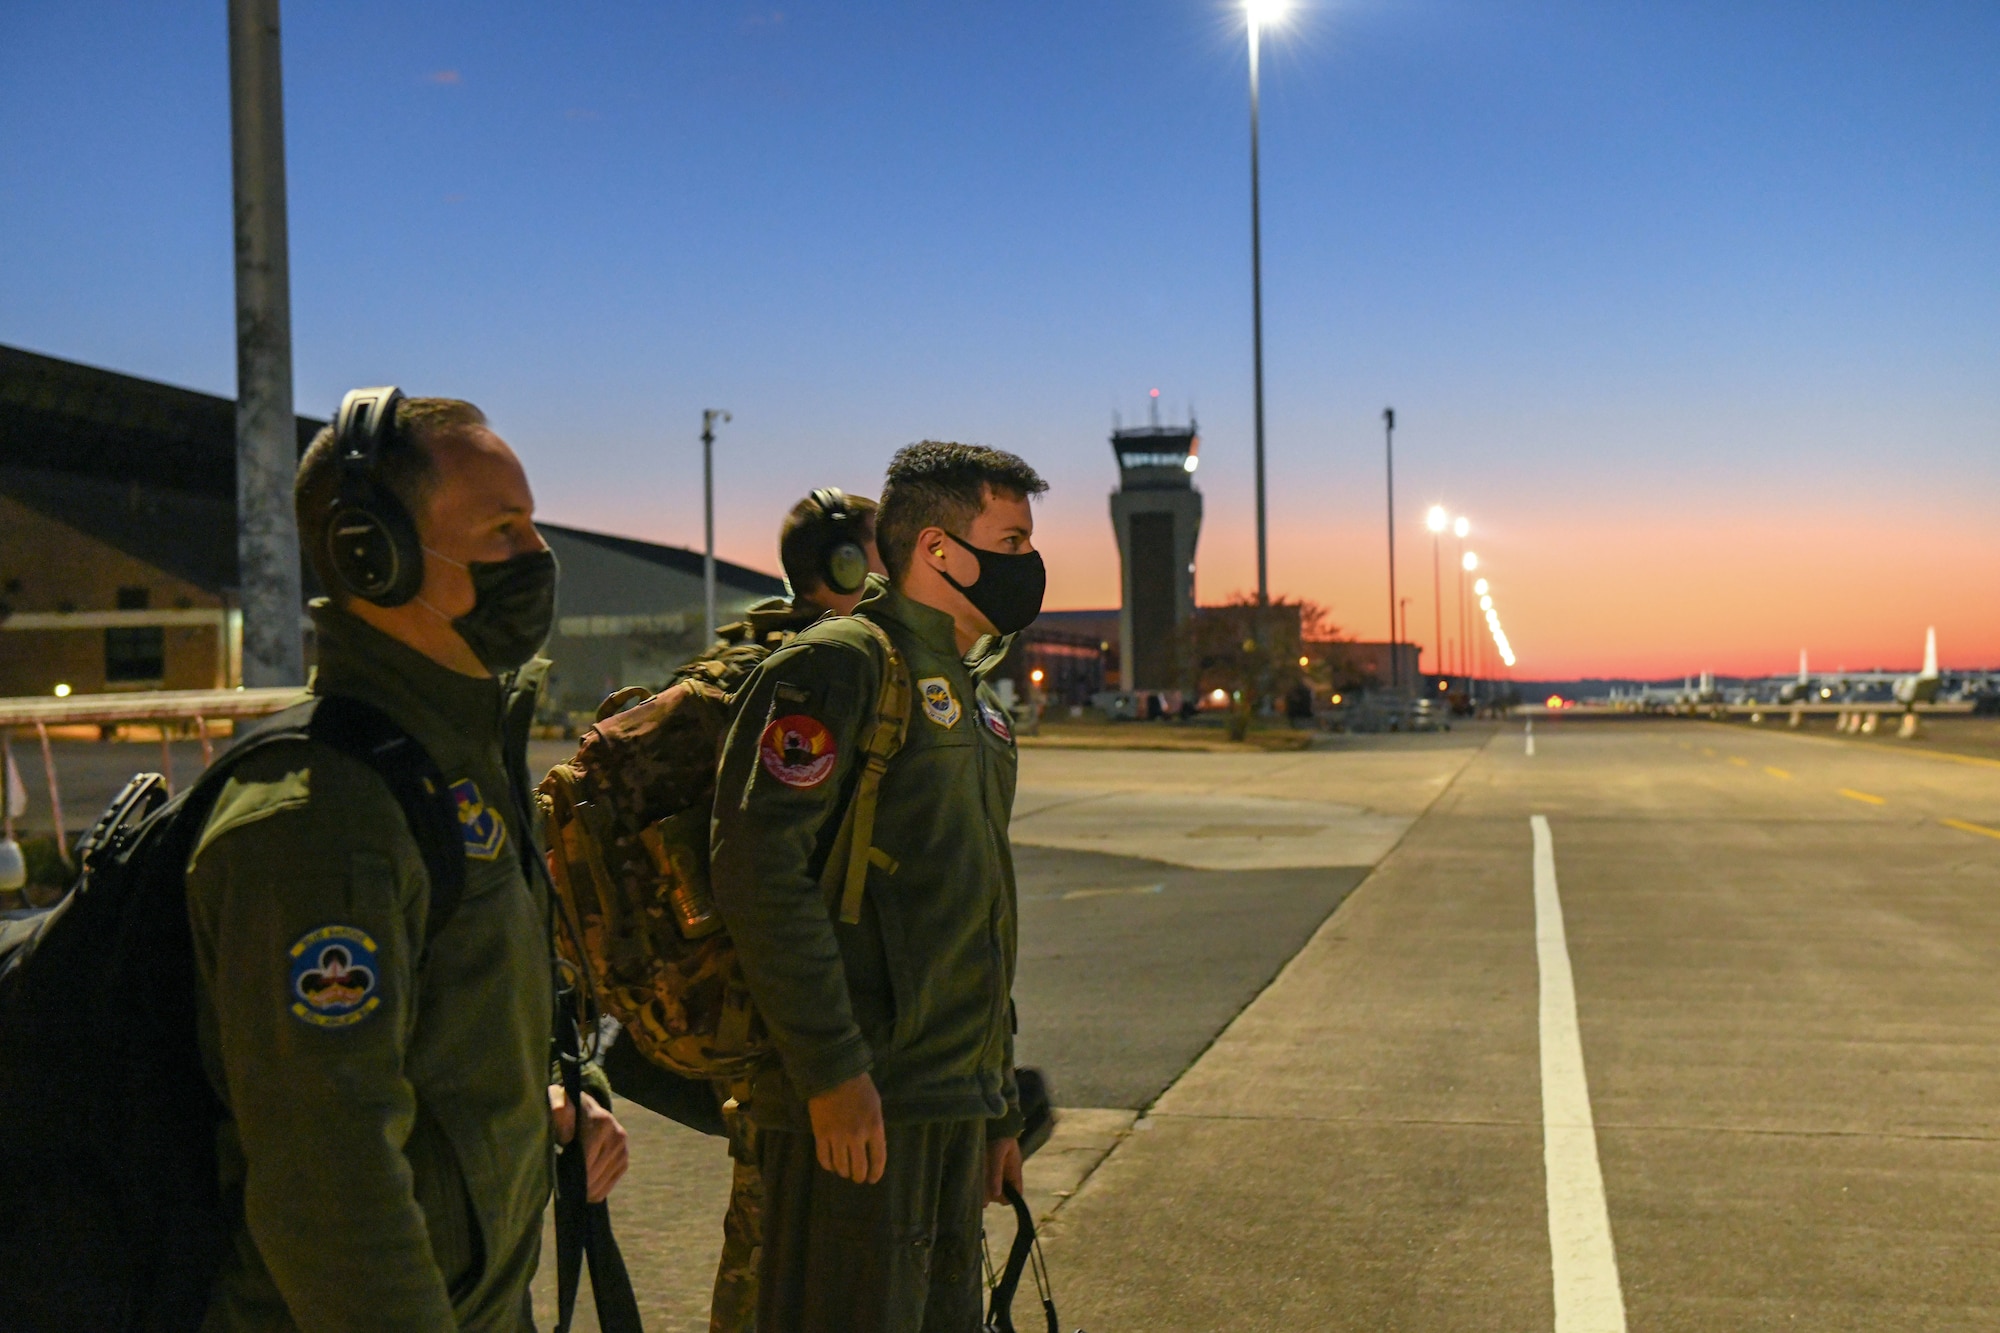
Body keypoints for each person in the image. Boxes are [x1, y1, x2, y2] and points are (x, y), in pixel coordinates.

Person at [184, 392, 628, 1330]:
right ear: (370, 554)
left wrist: (558, 1091)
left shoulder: (453, 765)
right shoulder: (321, 822)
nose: (537, 557)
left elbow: (466, 1015)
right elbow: (329, 1185)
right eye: (502, 529)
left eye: (532, 523)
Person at [710, 441, 1049, 1332]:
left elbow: (979, 917)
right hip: (862, 1108)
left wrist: (997, 1108)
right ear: (940, 549)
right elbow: (758, 870)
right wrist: (831, 1070)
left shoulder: (977, 704)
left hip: (947, 1105)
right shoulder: (842, 666)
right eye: (1011, 541)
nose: (1030, 566)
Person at [603, 487, 886, 1333]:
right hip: (790, 1032)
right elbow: (769, 872)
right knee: (780, 1259)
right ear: (846, 567)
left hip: (754, 1016)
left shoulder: (751, 661)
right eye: (882, 553)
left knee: (777, 1244)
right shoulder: (807, 680)